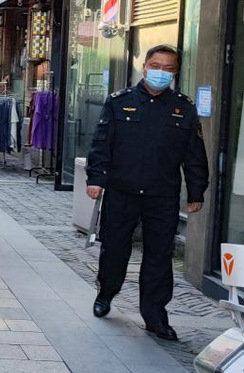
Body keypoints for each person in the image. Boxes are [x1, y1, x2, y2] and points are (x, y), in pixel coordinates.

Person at [86, 45, 209, 341]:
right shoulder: (119, 102)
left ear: (176, 72)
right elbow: (102, 143)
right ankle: (106, 292)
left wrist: (196, 192)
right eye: (156, 66)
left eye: (168, 68)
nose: (161, 72)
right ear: (145, 67)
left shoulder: (183, 108)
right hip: (122, 191)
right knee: (114, 249)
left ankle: (155, 316)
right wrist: (96, 178)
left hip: (162, 195)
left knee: (159, 257)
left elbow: (195, 154)